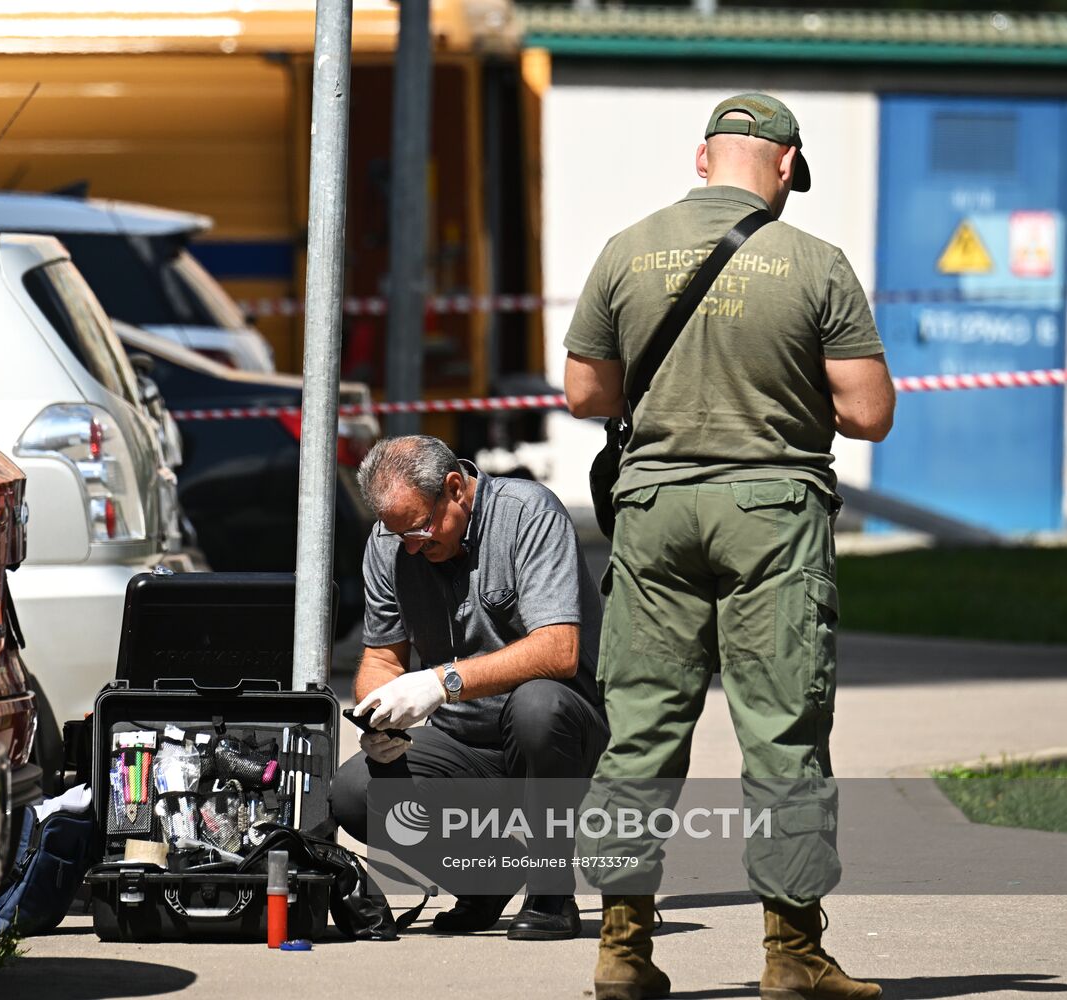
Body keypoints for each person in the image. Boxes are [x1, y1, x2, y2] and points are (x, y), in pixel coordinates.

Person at [562, 93, 895, 1000]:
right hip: (771, 516)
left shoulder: (625, 250)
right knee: (783, 734)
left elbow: (586, 397)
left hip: (655, 511)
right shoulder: (815, 262)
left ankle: (622, 954)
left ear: (703, 157)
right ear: (784, 167)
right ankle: (793, 959)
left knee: (638, 732)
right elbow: (868, 413)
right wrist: (780, 397)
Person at [329, 434, 608, 941]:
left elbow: (559, 650)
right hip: (462, 742)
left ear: (455, 488)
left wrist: (442, 682)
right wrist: (377, 712)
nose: (413, 546)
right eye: (400, 536)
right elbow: (381, 657)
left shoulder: (527, 513)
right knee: (354, 792)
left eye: (421, 529)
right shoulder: (390, 542)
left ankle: (550, 892)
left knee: (536, 707)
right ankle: (484, 879)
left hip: (557, 736)